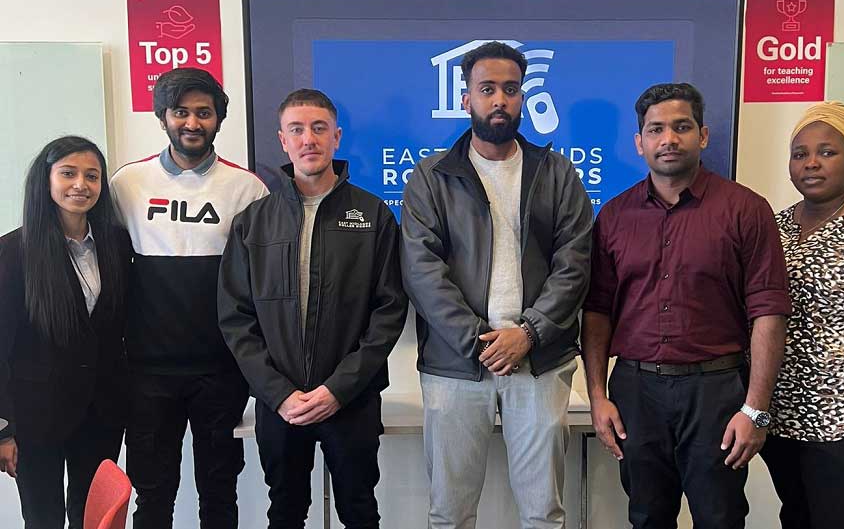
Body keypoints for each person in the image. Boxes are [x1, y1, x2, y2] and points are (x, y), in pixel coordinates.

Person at [401, 41, 593, 529]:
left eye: (511, 89)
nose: (500, 100)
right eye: (487, 90)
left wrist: (527, 333)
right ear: (466, 99)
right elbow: (422, 269)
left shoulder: (556, 172)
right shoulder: (432, 176)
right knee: (449, 511)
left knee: (543, 512)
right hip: (456, 364)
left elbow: (574, 262)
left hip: (539, 360)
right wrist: (480, 341)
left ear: (523, 97)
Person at [581, 82, 791, 529]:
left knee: (721, 517)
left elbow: (768, 312)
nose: (668, 139)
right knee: (647, 516)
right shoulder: (614, 216)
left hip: (715, 390)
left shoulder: (746, 210)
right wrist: (598, 395)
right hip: (636, 392)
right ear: (640, 143)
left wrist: (755, 409)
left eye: (681, 127)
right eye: (656, 130)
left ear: (704, 136)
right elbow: (597, 311)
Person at [218, 88, 408, 529]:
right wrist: (278, 393)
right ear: (282, 140)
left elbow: (389, 311)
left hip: (351, 401)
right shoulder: (254, 220)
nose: (309, 139)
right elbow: (236, 318)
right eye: (297, 130)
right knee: (284, 512)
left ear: (337, 137)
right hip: (279, 402)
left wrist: (338, 389)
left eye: (319, 128)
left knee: (360, 511)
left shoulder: (373, 215)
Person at [110, 68, 268, 529]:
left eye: (204, 113)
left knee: (219, 496)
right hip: (146, 373)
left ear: (219, 118)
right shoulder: (127, 184)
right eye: (181, 112)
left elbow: (257, 288)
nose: (192, 123)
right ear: (163, 117)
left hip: (220, 372)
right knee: (153, 497)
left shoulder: (247, 189)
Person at [760, 101, 844, 529]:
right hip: (782, 419)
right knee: (796, 518)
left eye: (827, 152)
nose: (811, 163)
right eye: (800, 153)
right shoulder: (774, 228)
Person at [0, 136, 130, 529]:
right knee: (43, 519)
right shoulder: (13, 252)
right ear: (47, 180)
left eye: (92, 176)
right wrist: (4, 430)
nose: (81, 185)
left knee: (92, 517)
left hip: (102, 411)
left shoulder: (116, 244)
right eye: (69, 173)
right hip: (34, 416)